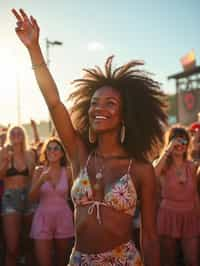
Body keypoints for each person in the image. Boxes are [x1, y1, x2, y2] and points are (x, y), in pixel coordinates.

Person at [12, 8, 168, 265]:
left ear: (125, 114)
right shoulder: (78, 152)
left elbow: (150, 236)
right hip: (80, 260)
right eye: (95, 102)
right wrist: (34, 48)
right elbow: (54, 103)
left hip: (124, 260)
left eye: (110, 104)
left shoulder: (140, 169)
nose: (99, 109)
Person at [154, 126, 200, 266]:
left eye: (184, 141)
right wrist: (168, 150)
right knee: (169, 260)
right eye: (176, 141)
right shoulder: (163, 166)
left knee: (192, 260)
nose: (180, 145)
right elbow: (153, 173)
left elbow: (196, 194)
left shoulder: (193, 167)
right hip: (168, 216)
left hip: (190, 216)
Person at [29, 137, 74, 266]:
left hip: (63, 217)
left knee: (63, 260)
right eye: (48, 148)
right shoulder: (39, 171)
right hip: (42, 218)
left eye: (56, 148)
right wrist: (41, 180)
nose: (52, 151)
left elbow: (75, 196)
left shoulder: (68, 172)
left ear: (62, 153)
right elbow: (31, 198)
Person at [0, 125, 36, 266]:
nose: (16, 134)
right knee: (12, 246)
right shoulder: (3, 152)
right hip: (11, 198)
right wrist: (6, 161)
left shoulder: (30, 154)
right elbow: (1, 176)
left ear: (23, 135)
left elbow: (33, 178)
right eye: (13, 132)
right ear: (9, 136)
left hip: (28, 197)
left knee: (29, 242)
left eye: (19, 132)